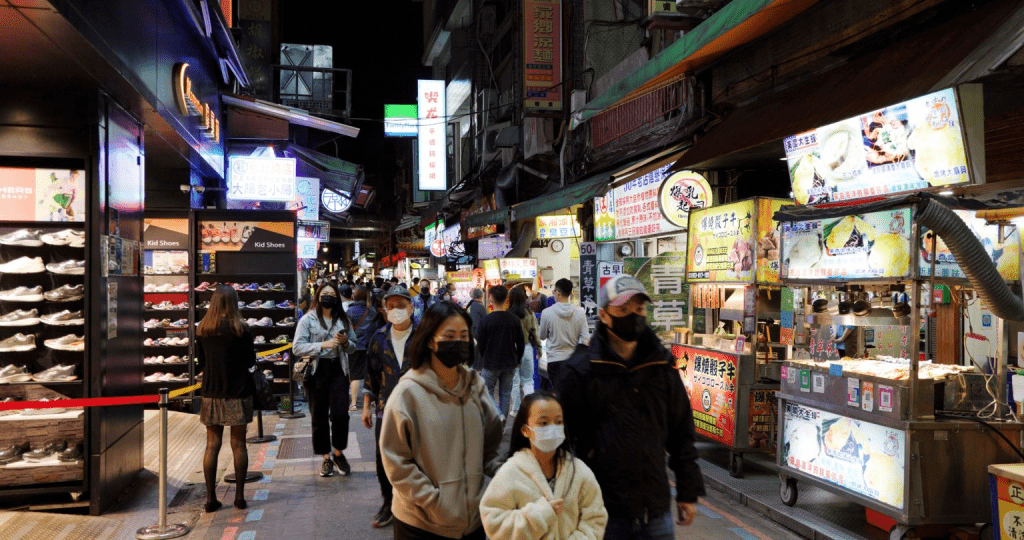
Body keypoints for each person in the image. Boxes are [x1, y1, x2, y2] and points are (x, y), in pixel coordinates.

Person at [555, 275, 704, 540]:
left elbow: (681, 431)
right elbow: (563, 442)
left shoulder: (662, 367)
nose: (632, 316)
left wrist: (687, 491)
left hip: (655, 509)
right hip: (599, 511)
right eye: (622, 310)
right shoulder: (580, 371)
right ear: (604, 315)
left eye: (639, 309)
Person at [380, 301, 504, 540]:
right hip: (423, 525)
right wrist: (435, 502)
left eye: (464, 335)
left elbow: (492, 444)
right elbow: (396, 462)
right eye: (449, 335)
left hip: (473, 522)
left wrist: (508, 479)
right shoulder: (408, 394)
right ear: (430, 339)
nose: (458, 341)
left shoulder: (475, 386)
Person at [480, 391, 607, 540]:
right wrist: (539, 515)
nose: (552, 428)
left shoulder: (579, 471)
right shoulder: (510, 473)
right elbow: (494, 524)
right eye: (544, 423)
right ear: (526, 430)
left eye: (558, 422)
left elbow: (595, 518)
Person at [195, 285, 257, 512]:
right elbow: (251, 361)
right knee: (239, 444)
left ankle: (211, 498)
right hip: (238, 393)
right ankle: (239, 497)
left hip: (211, 392)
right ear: (234, 302)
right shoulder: (241, 329)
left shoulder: (203, 328)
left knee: (212, 445)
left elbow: (200, 362)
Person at [362, 286, 416, 528]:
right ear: (384, 310)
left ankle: (414, 503)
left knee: (416, 457)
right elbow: (371, 374)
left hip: (418, 409)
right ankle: (388, 502)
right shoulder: (379, 337)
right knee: (384, 458)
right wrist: (366, 406)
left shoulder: (424, 337)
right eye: (391, 306)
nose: (396, 310)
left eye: (401, 305)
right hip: (386, 407)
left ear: (411, 308)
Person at [292, 282, 357, 477]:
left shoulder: (343, 319)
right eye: (324, 293)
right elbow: (297, 347)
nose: (328, 296)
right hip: (316, 372)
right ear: (318, 296)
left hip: (338, 369)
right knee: (318, 416)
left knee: (340, 414)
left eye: (331, 293)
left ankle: (338, 452)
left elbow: (354, 346)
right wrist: (322, 345)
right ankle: (325, 458)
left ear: (337, 297)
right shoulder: (307, 320)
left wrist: (345, 342)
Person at [476, 285, 525, 419]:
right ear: (506, 299)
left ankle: (495, 419)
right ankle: (502, 423)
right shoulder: (514, 319)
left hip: (490, 362)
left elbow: (480, 343)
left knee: (487, 392)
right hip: (510, 362)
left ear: (491, 299)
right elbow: (521, 343)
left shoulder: (486, 320)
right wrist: (518, 360)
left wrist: (484, 356)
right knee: (505, 393)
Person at [539, 279, 590, 386]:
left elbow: (542, 336)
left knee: (558, 396)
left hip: (554, 360)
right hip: (574, 362)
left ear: (558, 292)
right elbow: (586, 339)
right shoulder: (580, 312)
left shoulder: (546, 313)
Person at [508, 286, 541, 416]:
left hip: (512, 350)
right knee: (528, 380)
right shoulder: (530, 313)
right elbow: (535, 332)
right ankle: (530, 409)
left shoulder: (508, 314)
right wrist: (539, 349)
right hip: (526, 348)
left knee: (514, 381)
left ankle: (515, 409)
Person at [346, 287, 376, 412]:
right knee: (371, 373)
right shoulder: (372, 310)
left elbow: (346, 329)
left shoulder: (350, 311)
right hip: (370, 346)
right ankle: (373, 401)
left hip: (355, 346)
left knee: (355, 375)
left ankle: (353, 403)